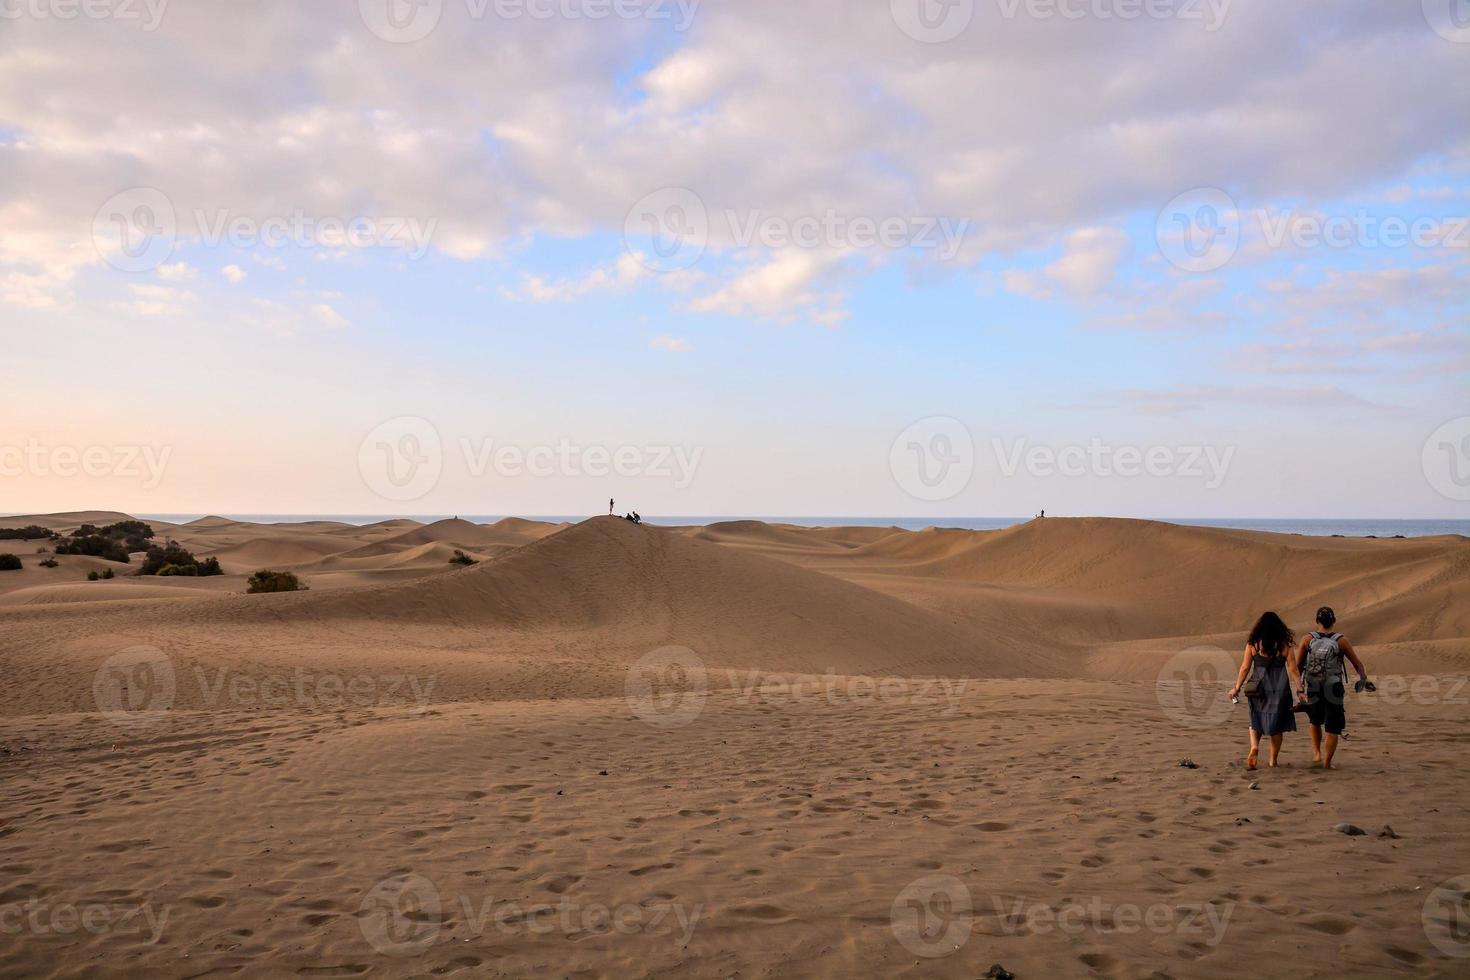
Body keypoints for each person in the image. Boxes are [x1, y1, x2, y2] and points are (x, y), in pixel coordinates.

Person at [1293, 606, 1371, 770]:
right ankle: (1327, 763)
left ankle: (1317, 755)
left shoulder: (1307, 639)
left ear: (1317, 621)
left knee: (1315, 720)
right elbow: (1357, 664)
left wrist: (1299, 687)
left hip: (1313, 684)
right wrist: (1363, 679)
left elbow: (1298, 665)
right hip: (1334, 686)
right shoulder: (1341, 640)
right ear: (1334, 621)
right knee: (1333, 726)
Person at [1227, 611, 1299, 770]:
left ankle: (1254, 747)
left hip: (1258, 687)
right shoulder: (1284, 644)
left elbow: (1245, 667)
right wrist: (1300, 689)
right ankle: (1273, 761)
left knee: (1256, 719)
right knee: (1277, 726)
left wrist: (1237, 687)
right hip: (1280, 687)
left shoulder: (1253, 644)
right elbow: (1293, 668)